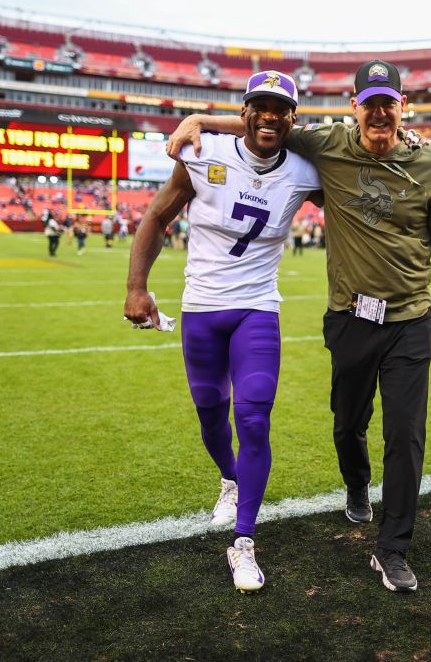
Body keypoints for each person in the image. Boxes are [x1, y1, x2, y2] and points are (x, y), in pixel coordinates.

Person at [166, 59, 431, 594]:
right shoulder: (327, 145)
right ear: (354, 107)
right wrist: (201, 119)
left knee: (406, 433)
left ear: (403, 108)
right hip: (351, 318)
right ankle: (357, 485)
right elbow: (266, 124)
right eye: (370, 103)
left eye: (390, 104)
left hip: (411, 319)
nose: (380, 113)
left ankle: (392, 548)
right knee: (347, 422)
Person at [125, 70, 321, 594]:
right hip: (202, 309)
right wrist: (136, 288)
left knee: (253, 416)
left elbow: (349, 162)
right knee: (211, 417)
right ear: (244, 111)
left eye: (281, 109)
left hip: (257, 308)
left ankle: (244, 542)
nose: (270, 117)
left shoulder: (305, 170)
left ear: (292, 118)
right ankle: (230, 479)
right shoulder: (203, 152)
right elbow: (157, 217)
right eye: (260, 107)